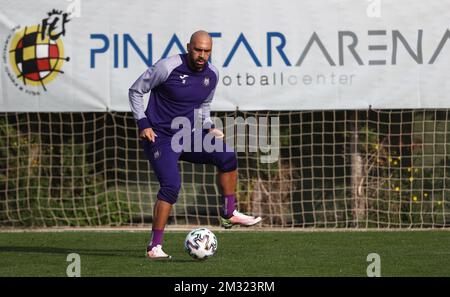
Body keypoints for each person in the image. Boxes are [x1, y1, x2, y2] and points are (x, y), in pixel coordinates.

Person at [128, 30, 262, 260]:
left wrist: (209, 126)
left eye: (207, 51)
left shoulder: (212, 73)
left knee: (227, 155)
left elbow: (205, 103)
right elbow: (136, 91)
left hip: (187, 135)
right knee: (171, 186)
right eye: (198, 50)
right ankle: (154, 247)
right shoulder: (167, 67)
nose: (202, 55)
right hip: (159, 137)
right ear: (189, 47)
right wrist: (143, 123)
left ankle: (228, 214)